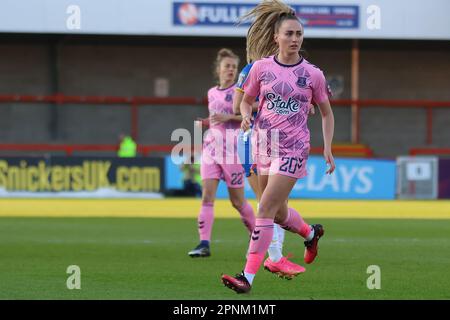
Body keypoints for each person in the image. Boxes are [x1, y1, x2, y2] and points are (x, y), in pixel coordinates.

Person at [221, 0, 335, 293]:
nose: (295, 39)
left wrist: (328, 148)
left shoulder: (313, 75)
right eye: (289, 34)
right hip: (263, 146)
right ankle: (310, 233)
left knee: (265, 208)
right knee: (281, 214)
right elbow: (245, 101)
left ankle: (247, 277)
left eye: (299, 34)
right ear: (276, 37)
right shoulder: (260, 68)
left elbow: (326, 112)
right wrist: (246, 115)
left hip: (294, 149)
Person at [233, 27, 310, 279]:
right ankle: (275, 256)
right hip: (256, 140)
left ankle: (292, 244)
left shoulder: (293, 71)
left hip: (281, 142)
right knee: (266, 203)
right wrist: (269, 101)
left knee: (273, 206)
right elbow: (238, 105)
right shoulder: (254, 69)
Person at [188, 48, 256, 258]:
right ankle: (204, 244)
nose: (231, 70)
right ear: (218, 69)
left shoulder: (240, 91)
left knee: (237, 201)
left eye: (234, 67)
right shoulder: (212, 93)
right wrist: (206, 123)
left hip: (233, 152)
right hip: (211, 149)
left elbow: (251, 114)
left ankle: (258, 234)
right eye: (227, 66)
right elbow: (217, 119)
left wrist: (230, 118)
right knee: (207, 197)